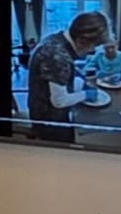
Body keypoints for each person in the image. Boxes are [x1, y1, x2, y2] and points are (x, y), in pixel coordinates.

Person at [26, 12, 110, 143]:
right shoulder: (57, 56)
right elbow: (59, 101)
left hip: (39, 108)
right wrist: (86, 95)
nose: (92, 51)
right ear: (82, 40)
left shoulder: (55, 39)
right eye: (93, 45)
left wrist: (79, 78)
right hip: (49, 120)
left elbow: (56, 75)